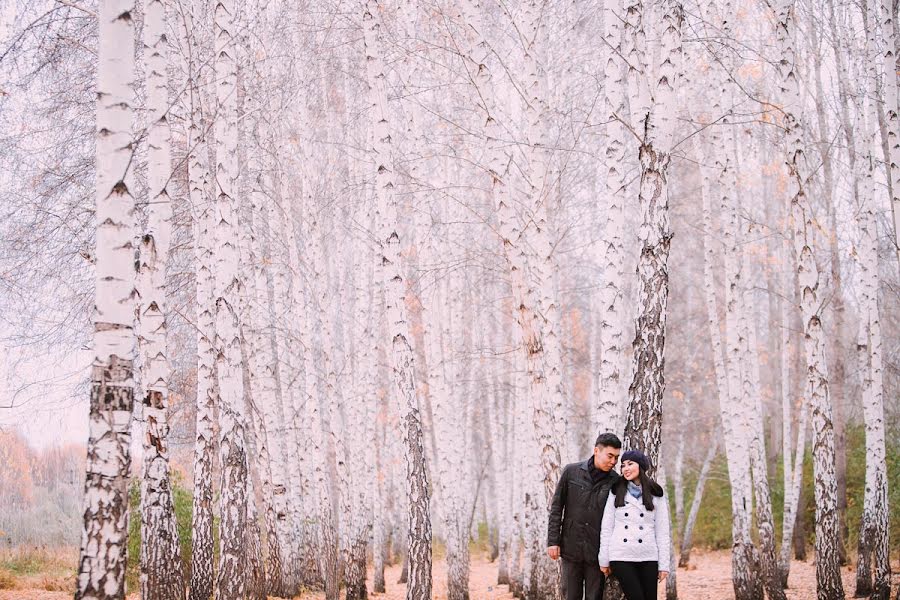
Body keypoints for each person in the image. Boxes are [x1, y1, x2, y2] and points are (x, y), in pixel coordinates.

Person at [547, 432, 622, 600]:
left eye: (616, 457)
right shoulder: (571, 472)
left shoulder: (615, 481)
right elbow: (557, 507)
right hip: (571, 547)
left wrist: (610, 554)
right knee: (570, 596)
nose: (613, 461)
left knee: (594, 597)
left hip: (597, 552)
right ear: (596, 450)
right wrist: (553, 541)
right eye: (610, 456)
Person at [598, 449, 671, 600]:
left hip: (648, 555)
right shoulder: (616, 490)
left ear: (641, 466)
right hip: (621, 555)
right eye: (623, 465)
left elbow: (662, 531)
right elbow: (607, 527)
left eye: (630, 464)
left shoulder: (656, 492)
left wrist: (664, 564)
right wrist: (604, 559)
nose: (626, 469)